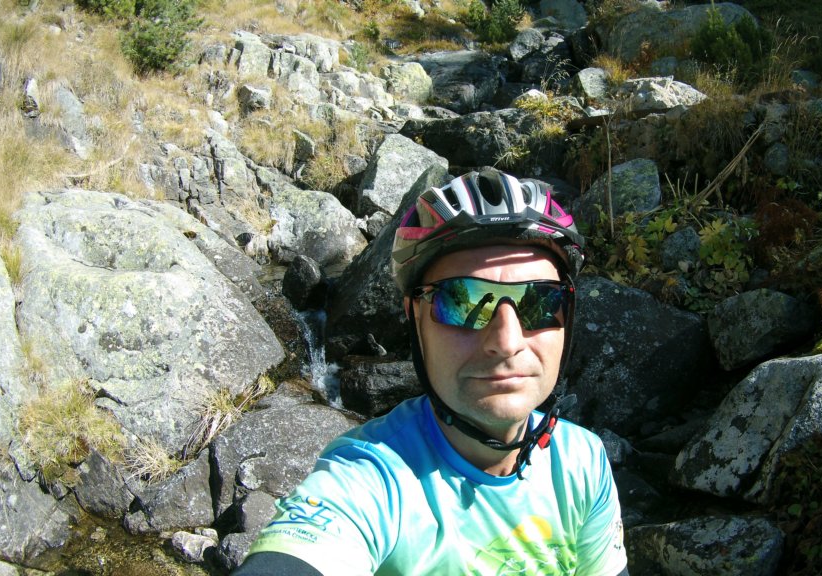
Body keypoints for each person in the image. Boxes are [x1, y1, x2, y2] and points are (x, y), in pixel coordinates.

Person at [234, 168, 629, 575]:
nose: (507, 340)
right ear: (414, 317)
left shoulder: (582, 461)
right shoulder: (372, 478)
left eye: (540, 302)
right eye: (462, 301)